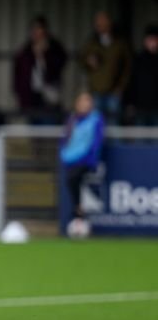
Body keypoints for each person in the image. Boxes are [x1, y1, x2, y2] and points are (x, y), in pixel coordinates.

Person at [60, 91, 105, 236]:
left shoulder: (96, 119)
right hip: (71, 159)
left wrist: (92, 159)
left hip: (86, 160)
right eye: (82, 101)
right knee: (71, 180)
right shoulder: (72, 119)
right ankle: (78, 213)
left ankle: (78, 211)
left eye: (87, 101)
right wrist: (63, 153)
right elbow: (66, 138)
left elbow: (97, 141)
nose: (84, 104)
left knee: (73, 178)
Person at [13, 15, 68, 126]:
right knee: (33, 130)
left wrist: (44, 54)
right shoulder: (25, 51)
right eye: (34, 29)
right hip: (31, 98)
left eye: (39, 29)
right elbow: (18, 76)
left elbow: (59, 64)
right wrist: (20, 95)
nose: (37, 33)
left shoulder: (54, 47)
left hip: (49, 97)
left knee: (49, 127)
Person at [79, 11, 132, 125]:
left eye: (103, 22)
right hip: (96, 91)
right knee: (96, 124)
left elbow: (128, 67)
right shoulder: (91, 42)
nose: (100, 25)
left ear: (109, 23)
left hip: (114, 91)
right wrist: (88, 62)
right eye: (98, 22)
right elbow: (81, 60)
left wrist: (121, 87)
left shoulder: (119, 43)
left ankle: (115, 144)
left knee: (114, 123)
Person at [125, 24, 158, 127]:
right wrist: (130, 103)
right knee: (140, 139)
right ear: (145, 41)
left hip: (156, 108)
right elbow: (132, 82)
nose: (152, 43)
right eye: (150, 39)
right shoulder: (138, 59)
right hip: (140, 107)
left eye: (155, 40)